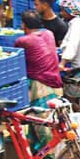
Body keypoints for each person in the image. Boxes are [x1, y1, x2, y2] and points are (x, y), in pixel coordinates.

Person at [15, 10, 63, 147]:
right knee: (50, 121)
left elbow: (17, 60)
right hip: (56, 83)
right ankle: (38, 154)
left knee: (43, 124)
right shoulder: (49, 34)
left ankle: (51, 157)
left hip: (41, 86)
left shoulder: (23, 40)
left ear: (24, 25)